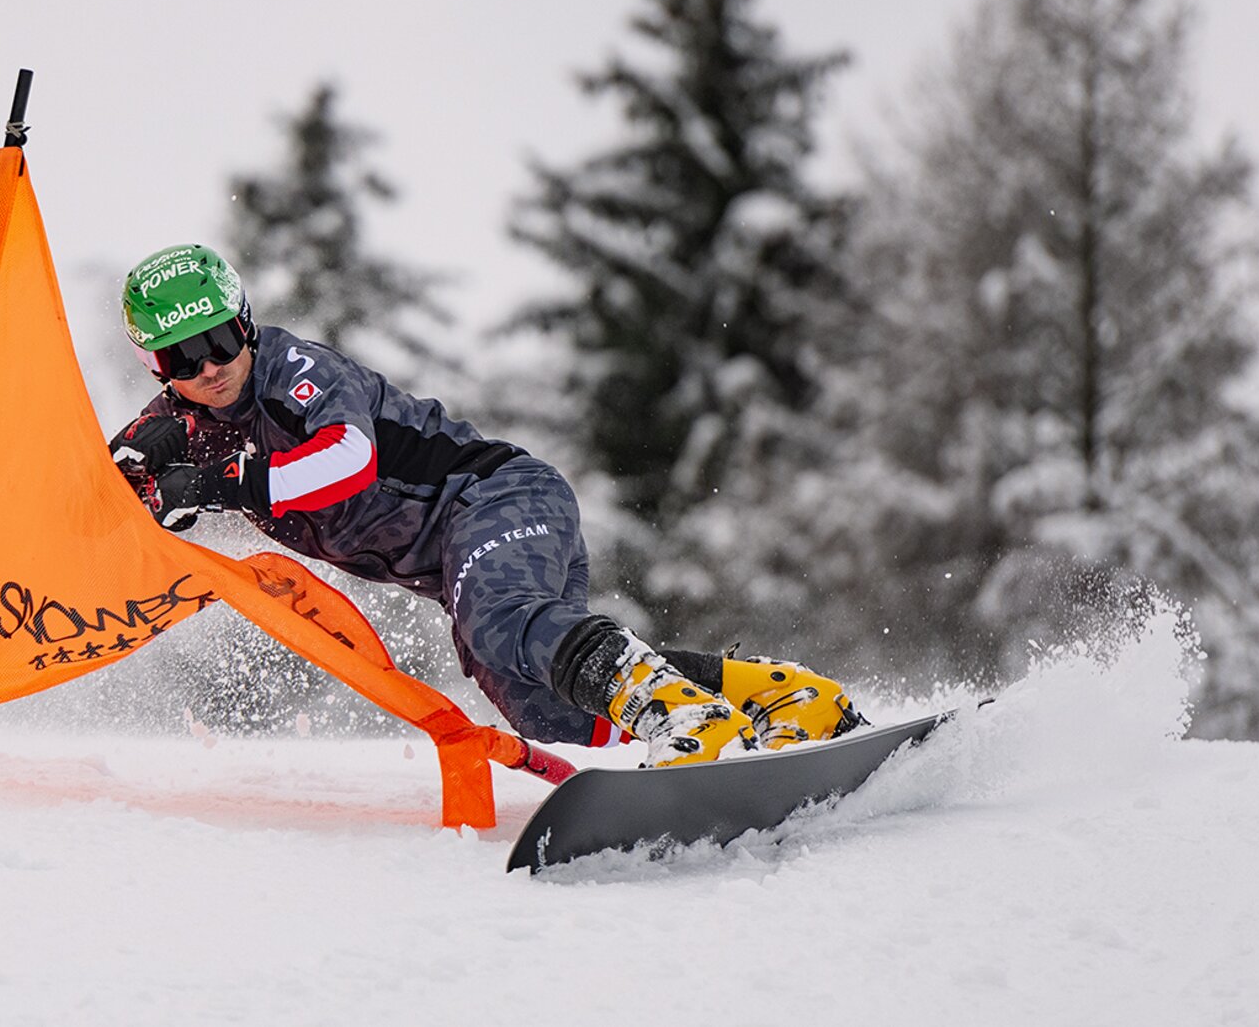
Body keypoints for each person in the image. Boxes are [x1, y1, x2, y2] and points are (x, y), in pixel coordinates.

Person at [105, 242, 866, 766]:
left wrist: (223, 485)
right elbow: (103, 490)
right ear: (154, 365)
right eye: (182, 356)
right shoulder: (177, 425)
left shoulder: (293, 370)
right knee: (545, 708)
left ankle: (682, 719)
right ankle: (779, 697)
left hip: (496, 498)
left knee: (502, 623)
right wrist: (134, 486)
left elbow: (349, 459)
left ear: (246, 321)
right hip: (456, 560)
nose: (210, 367)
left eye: (222, 339)